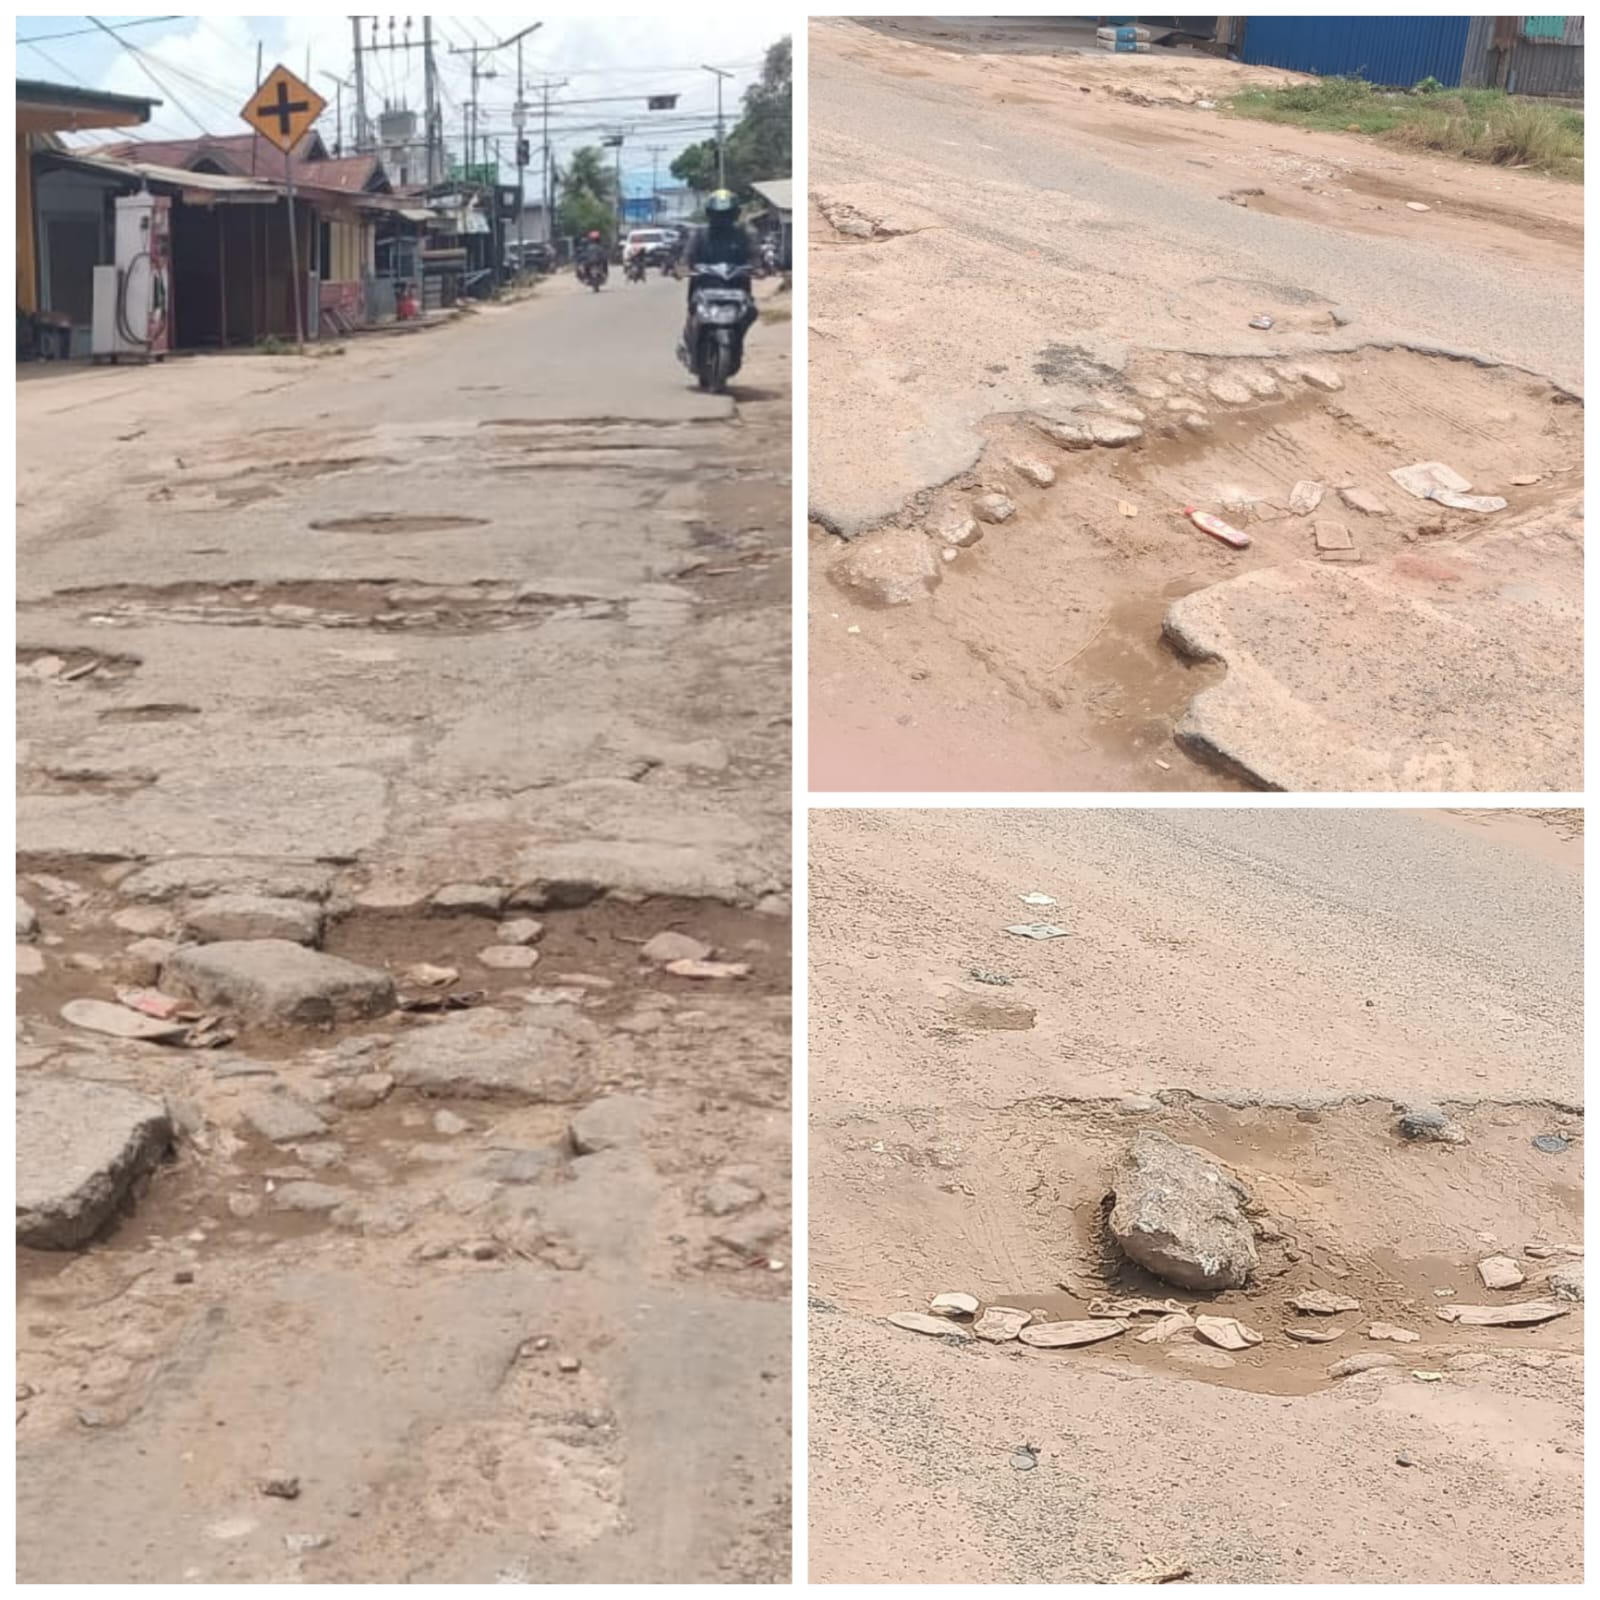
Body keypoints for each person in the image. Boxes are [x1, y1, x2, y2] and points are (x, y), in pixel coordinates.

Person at [680, 189, 757, 356]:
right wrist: (683, 268)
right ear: (710, 214)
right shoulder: (699, 234)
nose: (722, 219)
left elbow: (754, 255)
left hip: (737, 287)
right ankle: (690, 342)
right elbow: (687, 256)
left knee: (751, 311)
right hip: (704, 285)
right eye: (718, 214)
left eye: (727, 214)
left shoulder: (742, 234)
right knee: (694, 310)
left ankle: (738, 340)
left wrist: (760, 267)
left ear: (735, 214)